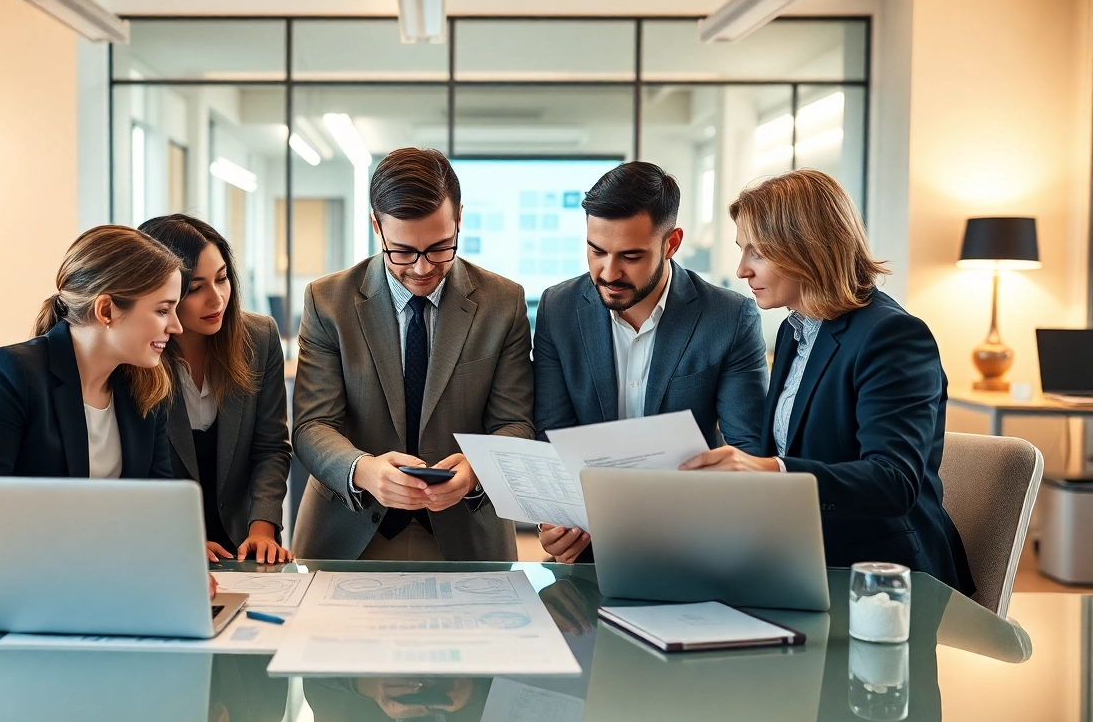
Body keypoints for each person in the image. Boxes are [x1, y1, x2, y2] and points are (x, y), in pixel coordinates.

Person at [681, 169, 975, 593]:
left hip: (882, 581)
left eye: (757, 253)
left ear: (807, 249)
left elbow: (893, 480)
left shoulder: (891, 336)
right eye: (742, 251)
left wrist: (773, 471)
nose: (742, 270)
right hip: (802, 560)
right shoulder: (795, 331)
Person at [292, 147, 535, 561]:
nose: (422, 269)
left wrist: (476, 470)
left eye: (440, 247)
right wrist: (365, 471)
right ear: (376, 226)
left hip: (466, 533)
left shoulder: (503, 302)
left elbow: (516, 424)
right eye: (402, 251)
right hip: (348, 532)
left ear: (459, 219)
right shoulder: (328, 301)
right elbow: (312, 425)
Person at [533, 161, 770, 564]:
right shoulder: (558, 308)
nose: (608, 272)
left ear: (671, 243)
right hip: (587, 546)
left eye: (630, 256)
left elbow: (748, 450)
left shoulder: (729, 318)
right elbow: (551, 435)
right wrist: (553, 521)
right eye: (596, 251)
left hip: (694, 544)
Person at [0, 225, 187, 563]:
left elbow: (156, 512)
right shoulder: (10, 374)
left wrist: (177, 567)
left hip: (90, 581)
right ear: (106, 311)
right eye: (162, 310)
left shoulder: (146, 391)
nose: (176, 326)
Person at [139, 214, 293, 565]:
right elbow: (137, 470)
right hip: (164, 544)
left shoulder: (259, 337)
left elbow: (271, 447)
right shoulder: (138, 351)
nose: (217, 298)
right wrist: (181, 537)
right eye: (195, 288)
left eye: (222, 279)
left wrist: (263, 529)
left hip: (244, 541)